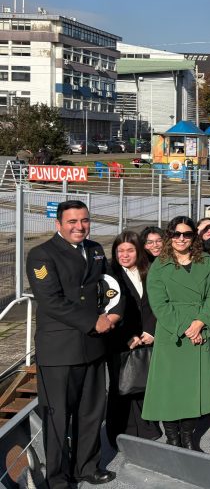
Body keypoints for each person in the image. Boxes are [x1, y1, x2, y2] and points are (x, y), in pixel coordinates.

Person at [26, 200, 117, 488]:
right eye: (72, 222)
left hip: (92, 347)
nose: (80, 227)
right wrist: (94, 322)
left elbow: (109, 286)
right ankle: (58, 478)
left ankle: (86, 467)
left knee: (90, 413)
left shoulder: (95, 250)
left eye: (85, 221)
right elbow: (51, 301)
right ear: (58, 224)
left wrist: (114, 313)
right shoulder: (41, 255)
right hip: (60, 350)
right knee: (57, 418)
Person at [142, 216, 210, 450]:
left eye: (187, 234)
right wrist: (188, 328)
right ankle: (172, 438)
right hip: (172, 334)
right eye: (176, 234)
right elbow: (160, 304)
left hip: (201, 330)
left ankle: (187, 438)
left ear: (193, 238)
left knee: (192, 388)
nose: (181, 238)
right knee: (169, 388)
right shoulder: (159, 266)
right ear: (170, 236)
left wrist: (201, 323)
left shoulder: (206, 262)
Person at [106, 231, 162, 447]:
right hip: (121, 339)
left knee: (144, 384)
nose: (125, 255)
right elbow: (107, 309)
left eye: (130, 250)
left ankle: (146, 429)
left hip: (147, 337)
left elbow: (156, 304)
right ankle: (119, 433)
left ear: (139, 251)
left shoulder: (151, 271)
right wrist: (127, 336)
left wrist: (150, 330)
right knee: (121, 387)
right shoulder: (110, 274)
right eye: (120, 251)